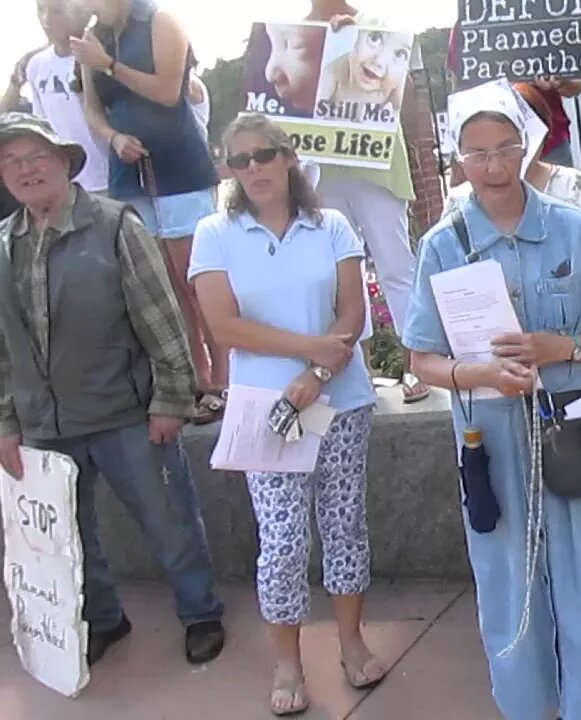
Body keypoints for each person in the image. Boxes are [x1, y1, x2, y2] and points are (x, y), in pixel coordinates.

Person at [402, 88, 581, 719]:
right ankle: (528, 705)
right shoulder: (443, 244)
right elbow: (421, 361)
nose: (493, 166)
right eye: (477, 154)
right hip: (491, 439)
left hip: (574, 433)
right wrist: (484, 372)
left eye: (505, 150)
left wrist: (560, 346)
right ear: (458, 158)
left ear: (525, 148)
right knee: (509, 578)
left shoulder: (571, 229)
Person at [0, 112, 225, 668]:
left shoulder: (115, 225)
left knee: (169, 518)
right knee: (68, 537)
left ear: (64, 162)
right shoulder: (4, 244)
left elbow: (164, 319)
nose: (25, 171)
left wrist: (172, 399)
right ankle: (103, 618)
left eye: (36, 158)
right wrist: (6, 422)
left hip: (126, 411)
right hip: (44, 423)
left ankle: (200, 613)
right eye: (11, 163)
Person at [190, 113, 382, 717]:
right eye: (240, 160)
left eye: (264, 155)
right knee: (281, 540)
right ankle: (287, 660)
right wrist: (307, 352)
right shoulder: (214, 232)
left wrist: (319, 373)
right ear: (227, 169)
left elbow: (350, 312)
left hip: (340, 400)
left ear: (288, 157)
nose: (254, 169)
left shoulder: (333, 226)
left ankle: (351, 642)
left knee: (345, 523)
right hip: (265, 412)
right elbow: (224, 325)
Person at [73, 0, 226, 424]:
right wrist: (113, 137)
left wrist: (107, 64)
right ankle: (194, 380)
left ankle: (224, 380)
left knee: (197, 280)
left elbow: (166, 91)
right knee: (163, 287)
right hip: (129, 173)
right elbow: (92, 110)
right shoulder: (91, 39)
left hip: (178, 168)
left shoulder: (161, 22)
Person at [306, 1, 431, 404]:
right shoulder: (294, 32)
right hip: (323, 169)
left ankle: (418, 363)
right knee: (342, 275)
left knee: (396, 265)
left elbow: (403, 90)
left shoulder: (377, 25)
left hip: (376, 166)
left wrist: (352, 42)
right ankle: (359, 369)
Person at [443, 81, 581, 275]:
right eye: (480, 152)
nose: (496, 164)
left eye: (508, 145)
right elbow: (442, 273)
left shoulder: (572, 187)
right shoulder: (459, 202)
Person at [446, 20, 581, 168]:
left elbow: (577, 86)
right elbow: (460, 88)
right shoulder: (470, 20)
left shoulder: (547, 12)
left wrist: (561, 82)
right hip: (492, 151)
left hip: (549, 146)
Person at [12, 0, 110, 194]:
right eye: (41, 10)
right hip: (65, 181)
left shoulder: (98, 57)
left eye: (57, 11)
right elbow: (41, 125)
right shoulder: (36, 65)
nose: (46, 20)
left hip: (105, 175)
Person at [318, 28, 412, 112]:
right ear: (357, 36)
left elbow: (400, 112)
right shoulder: (336, 71)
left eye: (400, 54)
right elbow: (312, 106)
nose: (379, 61)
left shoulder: (394, 87)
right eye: (374, 38)